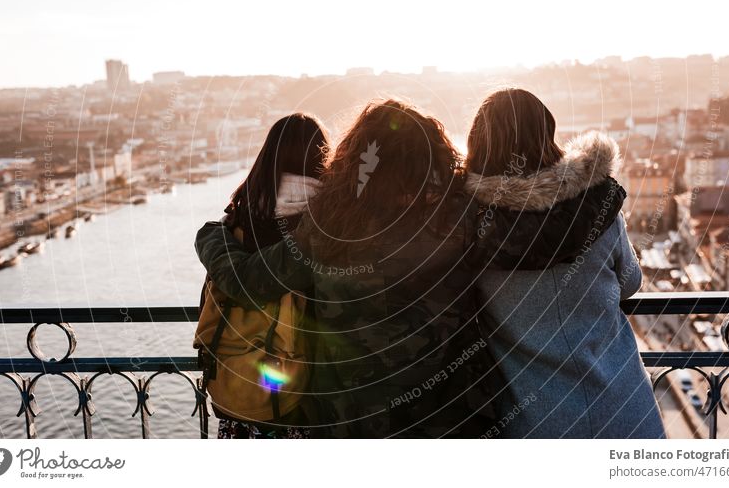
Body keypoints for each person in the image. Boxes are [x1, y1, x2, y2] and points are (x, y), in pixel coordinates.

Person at [196, 99, 501, 438]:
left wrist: (212, 237)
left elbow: (251, 281)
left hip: (355, 416)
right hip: (450, 409)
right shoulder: (463, 214)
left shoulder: (333, 224)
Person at [463, 88, 665, 438]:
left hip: (538, 423)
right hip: (625, 411)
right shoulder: (596, 204)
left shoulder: (471, 226)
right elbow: (630, 282)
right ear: (548, 133)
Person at [193, 113, 329, 438]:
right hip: (297, 400)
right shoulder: (321, 232)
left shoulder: (237, 224)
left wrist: (211, 236)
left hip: (236, 392)